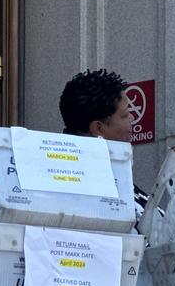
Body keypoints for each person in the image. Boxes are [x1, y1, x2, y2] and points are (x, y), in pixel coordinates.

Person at [58, 68, 149, 211]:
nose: (132, 118)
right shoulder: (84, 187)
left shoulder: (112, 175)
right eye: (125, 115)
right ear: (98, 129)